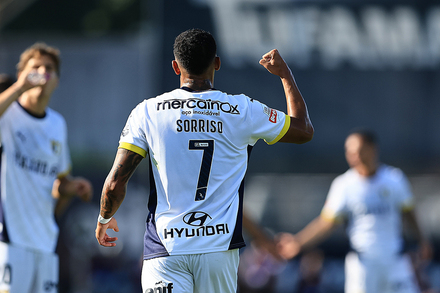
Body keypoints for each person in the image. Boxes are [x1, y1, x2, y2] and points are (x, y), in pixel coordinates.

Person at [95, 28, 314, 293]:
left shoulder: (147, 112)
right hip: (218, 249)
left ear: (176, 67)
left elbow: (116, 182)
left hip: (166, 248)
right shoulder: (242, 109)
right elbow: (303, 130)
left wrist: (105, 218)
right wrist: (285, 75)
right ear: (217, 63)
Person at [277, 129, 433, 293]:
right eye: (349, 152)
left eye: (358, 151)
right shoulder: (344, 185)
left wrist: (422, 240)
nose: (353, 157)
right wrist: (298, 243)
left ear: (373, 149)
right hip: (362, 263)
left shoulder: (395, 179)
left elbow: (409, 212)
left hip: (395, 260)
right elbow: (326, 223)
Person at [0, 43, 93, 292]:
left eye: (49, 68)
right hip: (10, 237)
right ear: (22, 74)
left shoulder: (57, 124)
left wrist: (73, 186)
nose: (42, 72)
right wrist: (19, 86)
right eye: (35, 67)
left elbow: (58, 182)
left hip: (44, 240)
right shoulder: (8, 114)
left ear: (57, 81)